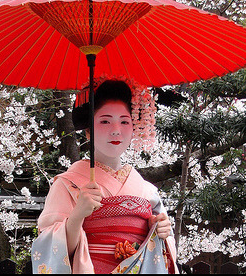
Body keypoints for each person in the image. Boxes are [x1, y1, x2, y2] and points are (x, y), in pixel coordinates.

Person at [31, 78, 178, 274]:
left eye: (125, 121)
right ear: (88, 131)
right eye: (105, 121)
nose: (116, 130)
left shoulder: (147, 190)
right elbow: (49, 250)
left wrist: (161, 232)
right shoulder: (68, 184)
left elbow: (164, 252)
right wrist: (76, 217)